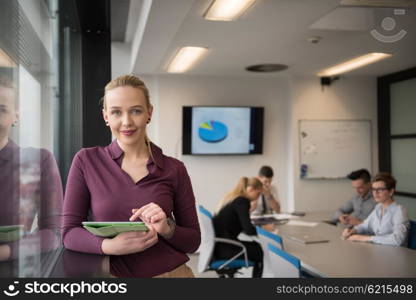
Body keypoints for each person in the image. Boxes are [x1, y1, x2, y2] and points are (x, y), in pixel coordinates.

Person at [62, 75, 200, 278]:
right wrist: (108, 246)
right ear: (106, 116)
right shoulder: (86, 160)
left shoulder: (174, 168)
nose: (126, 122)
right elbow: (68, 234)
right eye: (116, 112)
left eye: (136, 111)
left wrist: (167, 227)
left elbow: (193, 241)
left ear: (149, 113)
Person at [0, 74, 62, 270]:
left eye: (0, 110)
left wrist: (5, 252)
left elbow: (54, 234)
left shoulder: (38, 160)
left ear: (15, 115)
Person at [213, 177, 264, 277]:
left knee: (255, 246)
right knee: (260, 250)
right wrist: (264, 231)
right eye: (258, 194)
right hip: (227, 249)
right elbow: (248, 230)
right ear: (250, 189)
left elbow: (238, 224)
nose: (258, 197)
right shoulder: (242, 201)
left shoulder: (232, 198)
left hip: (218, 248)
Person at [342, 173, 410, 246]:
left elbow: (398, 239)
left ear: (391, 191)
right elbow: (365, 225)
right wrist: (353, 231)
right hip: (380, 250)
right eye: (373, 189)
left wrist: (366, 238)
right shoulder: (378, 208)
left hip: (397, 254)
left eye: (380, 189)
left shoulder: (399, 210)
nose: (375, 193)